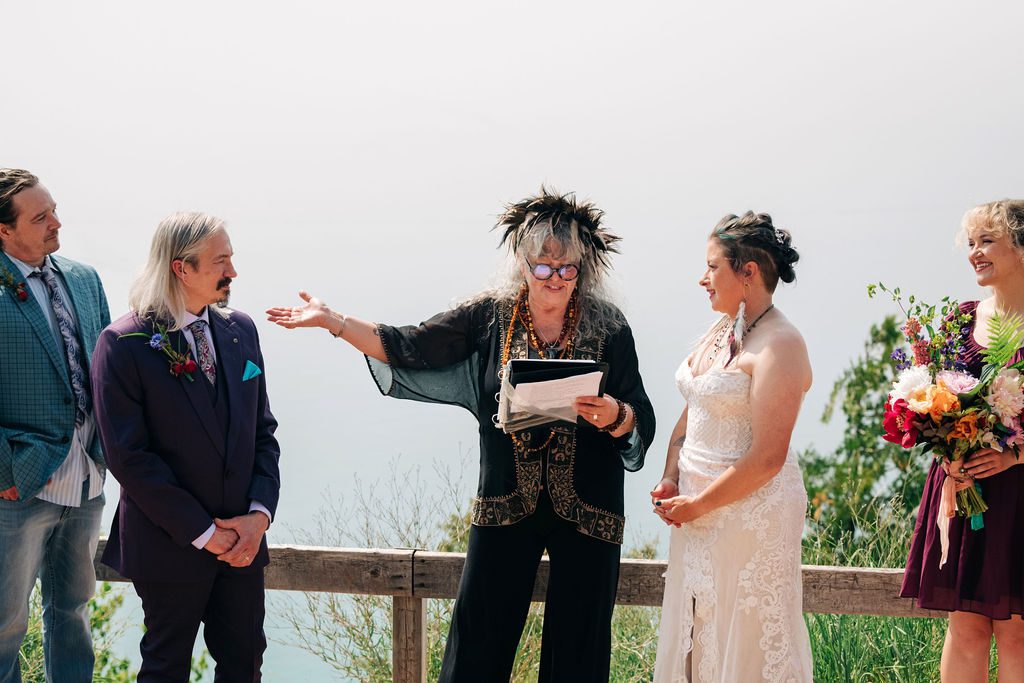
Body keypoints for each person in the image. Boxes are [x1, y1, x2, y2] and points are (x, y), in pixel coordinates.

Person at [267, 187, 655, 682]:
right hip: (505, 503)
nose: (554, 278)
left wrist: (614, 415)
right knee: (477, 644)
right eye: (543, 266)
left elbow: (639, 412)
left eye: (567, 268)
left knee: (579, 652)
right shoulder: (488, 317)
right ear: (522, 263)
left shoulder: (610, 327)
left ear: (584, 268)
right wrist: (334, 322)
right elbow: (409, 345)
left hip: (589, 509)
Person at [91, 212, 281, 682]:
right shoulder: (123, 343)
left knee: (244, 663)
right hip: (169, 543)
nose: (232, 272)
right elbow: (129, 459)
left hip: (242, 544)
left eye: (231, 259)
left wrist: (258, 518)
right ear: (182, 268)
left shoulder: (241, 330)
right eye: (221, 261)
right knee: (165, 667)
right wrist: (203, 532)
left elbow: (263, 433)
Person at [651, 211, 813, 682]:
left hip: (751, 515)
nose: (702, 279)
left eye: (712, 267)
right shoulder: (722, 330)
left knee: (744, 635)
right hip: (696, 513)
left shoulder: (780, 344)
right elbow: (694, 406)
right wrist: (670, 477)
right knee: (698, 633)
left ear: (749, 273)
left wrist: (699, 504)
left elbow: (768, 457)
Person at [901, 200, 1024, 682]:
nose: (975, 252)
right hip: (962, 487)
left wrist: (1014, 456)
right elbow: (932, 398)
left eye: (987, 241)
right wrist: (945, 447)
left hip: (1018, 492)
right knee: (966, 625)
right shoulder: (960, 317)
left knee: (1016, 630)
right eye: (970, 243)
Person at [0, 168, 110, 683]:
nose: (55, 222)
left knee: (73, 617)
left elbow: (109, 373)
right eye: (40, 217)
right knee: (4, 626)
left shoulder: (84, 278)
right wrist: (5, 472)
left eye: (53, 209)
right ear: (4, 230)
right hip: (17, 489)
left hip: (86, 481)